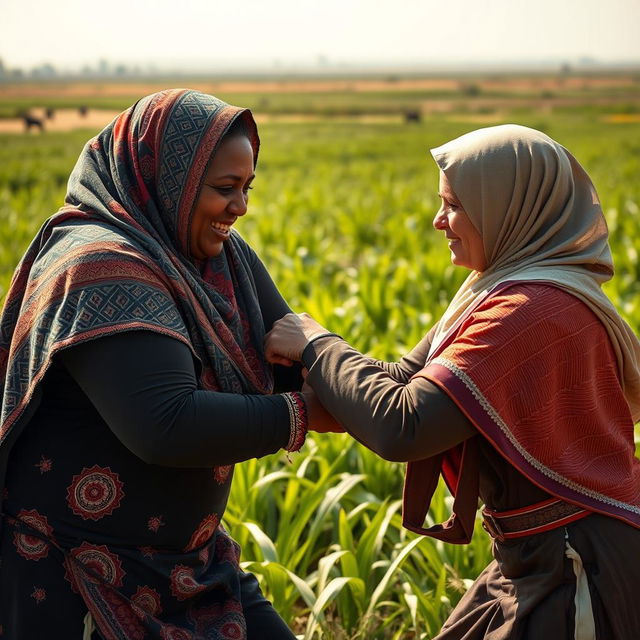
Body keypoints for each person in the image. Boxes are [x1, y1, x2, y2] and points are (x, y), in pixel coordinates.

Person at [265, 124, 640, 639]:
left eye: (455, 206)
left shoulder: (528, 311)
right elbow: (399, 381)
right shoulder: (497, 291)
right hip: (533, 554)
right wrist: (277, 403)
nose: (438, 220)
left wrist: (315, 344)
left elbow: (404, 422)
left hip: (576, 565)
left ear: (509, 209)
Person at [0, 89, 313, 639]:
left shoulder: (217, 257)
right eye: (224, 189)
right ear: (168, 181)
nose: (240, 207)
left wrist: (417, 386)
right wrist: (301, 415)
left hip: (189, 566)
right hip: (74, 571)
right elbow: (167, 425)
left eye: (246, 188)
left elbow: (301, 361)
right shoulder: (98, 264)